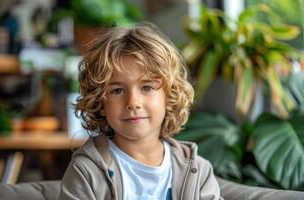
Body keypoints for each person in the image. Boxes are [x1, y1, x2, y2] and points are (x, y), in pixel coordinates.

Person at [59, 22, 222, 200]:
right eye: (117, 90)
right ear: (100, 103)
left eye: (147, 87)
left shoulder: (198, 171)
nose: (133, 102)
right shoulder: (86, 172)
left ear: (169, 96)